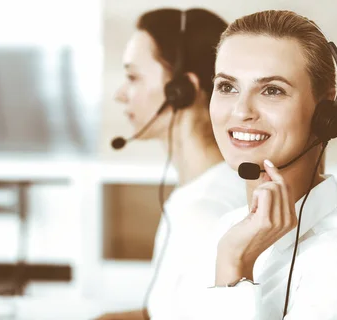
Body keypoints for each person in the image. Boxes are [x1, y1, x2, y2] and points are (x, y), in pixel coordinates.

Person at [189, 10, 337, 319]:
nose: (240, 110)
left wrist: (235, 266)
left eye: (272, 90)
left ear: (325, 113)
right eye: (227, 87)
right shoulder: (226, 230)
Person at [95, 8, 247, 320]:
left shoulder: (205, 211)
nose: (120, 94)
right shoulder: (196, 192)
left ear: (181, 91)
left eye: (133, 77)